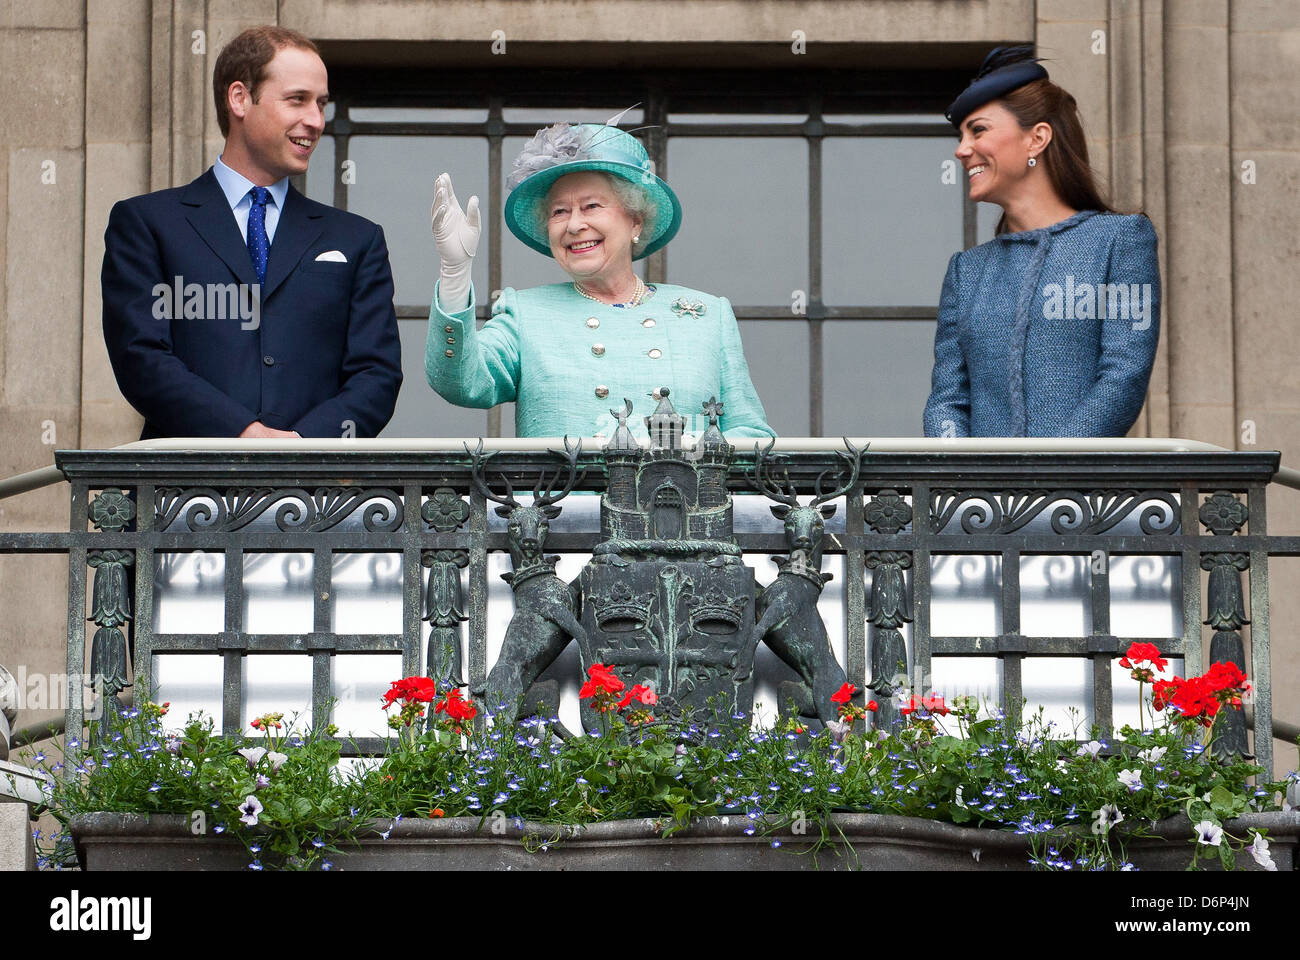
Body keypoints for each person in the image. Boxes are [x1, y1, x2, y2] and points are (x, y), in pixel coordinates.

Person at [102, 26, 402, 439]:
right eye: (297, 99)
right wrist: (244, 433)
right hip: (181, 493)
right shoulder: (146, 223)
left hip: (321, 495)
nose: (315, 121)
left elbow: (376, 375)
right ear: (239, 98)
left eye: (321, 104)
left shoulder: (357, 239)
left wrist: (302, 446)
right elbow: (141, 357)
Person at [425, 121, 775, 440]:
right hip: (561, 508)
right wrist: (455, 273)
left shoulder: (708, 315)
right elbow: (461, 383)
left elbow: (750, 431)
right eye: (559, 212)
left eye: (591, 206)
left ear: (635, 221)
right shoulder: (526, 314)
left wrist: (696, 455)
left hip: (682, 504)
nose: (575, 225)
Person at [922, 46, 1160, 438]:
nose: (961, 150)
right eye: (961, 135)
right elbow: (948, 400)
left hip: (1082, 496)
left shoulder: (1121, 240)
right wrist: (962, 477)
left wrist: (1049, 471)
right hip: (979, 497)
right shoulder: (966, 272)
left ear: (1037, 139)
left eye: (978, 130)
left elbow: (1123, 377)